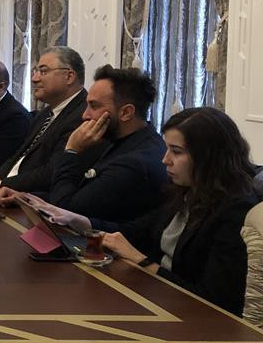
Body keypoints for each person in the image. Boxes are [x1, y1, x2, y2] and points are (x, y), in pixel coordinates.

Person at [28, 108, 258, 316]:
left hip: (191, 319)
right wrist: (75, 219)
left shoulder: (235, 211)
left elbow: (216, 301)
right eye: (167, 149)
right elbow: (136, 231)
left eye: (176, 152)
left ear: (209, 157)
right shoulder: (186, 192)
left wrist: (141, 260)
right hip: (160, 300)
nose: (165, 160)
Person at [2, 65, 167, 223]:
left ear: (125, 112)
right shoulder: (121, 139)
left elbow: (65, 211)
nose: (85, 115)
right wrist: (27, 198)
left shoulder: (134, 163)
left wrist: (71, 151)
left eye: (94, 106)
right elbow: (78, 193)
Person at [0, 46, 87, 201]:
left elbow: (53, 170)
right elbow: (19, 154)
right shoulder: (45, 113)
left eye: (43, 71)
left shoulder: (84, 115)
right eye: (35, 71)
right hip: (6, 191)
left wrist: (1, 183)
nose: (34, 78)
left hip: (33, 202)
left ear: (69, 76)